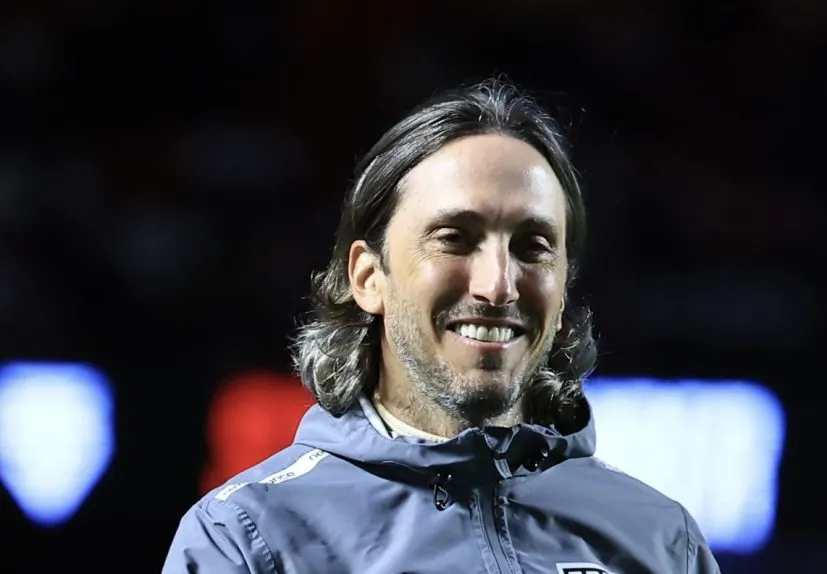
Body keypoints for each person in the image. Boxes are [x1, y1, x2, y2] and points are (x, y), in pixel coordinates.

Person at [162, 77, 721, 574]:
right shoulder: (246, 539)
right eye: (454, 238)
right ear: (368, 277)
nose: (498, 284)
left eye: (534, 246)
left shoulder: (661, 541)